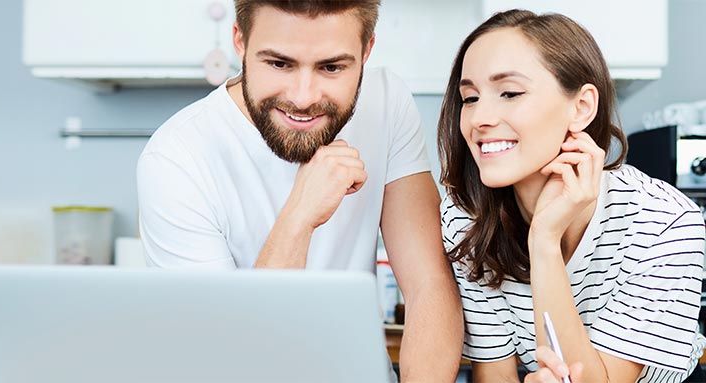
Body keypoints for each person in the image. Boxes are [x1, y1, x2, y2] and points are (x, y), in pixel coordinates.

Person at [136, 1, 462, 381]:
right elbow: (228, 361)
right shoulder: (176, 157)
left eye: (332, 67)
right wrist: (299, 216)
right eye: (279, 63)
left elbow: (429, 285)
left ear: (367, 50)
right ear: (239, 41)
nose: (304, 97)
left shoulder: (386, 101)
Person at [438, 10, 706, 383]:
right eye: (469, 98)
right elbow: (496, 375)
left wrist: (545, 241)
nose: (478, 118)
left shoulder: (664, 220)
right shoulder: (465, 217)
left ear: (581, 107)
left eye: (510, 93)